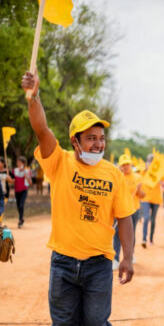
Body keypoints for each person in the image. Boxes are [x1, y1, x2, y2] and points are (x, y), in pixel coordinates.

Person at [22, 71, 135, 325]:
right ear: (75, 141)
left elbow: (125, 218)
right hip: (63, 263)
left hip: (99, 264)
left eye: (101, 139)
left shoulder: (114, 174)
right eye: (91, 138)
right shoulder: (58, 162)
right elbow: (41, 129)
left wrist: (127, 256)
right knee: (63, 322)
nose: (98, 144)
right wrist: (34, 96)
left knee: (96, 322)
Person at [113, 154, 145, 270]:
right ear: (120, 166)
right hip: (119, 210)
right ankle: (115, 258)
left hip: (133, 209)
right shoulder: (117, 176)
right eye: (123, 164)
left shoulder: (137, 177)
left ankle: (130, 255)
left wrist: (140, 189)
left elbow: (142, 195)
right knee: (117, 234)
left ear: (131, 165)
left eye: (127, 164)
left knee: (131, 233)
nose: (125, 166)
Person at [140, 154, 163, 248]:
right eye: (149, 161)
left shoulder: (159, 172)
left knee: (153, 220)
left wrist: (160, 172)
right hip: (145, 198)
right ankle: (144, 238)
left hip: (156, 199)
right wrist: (146, 169)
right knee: (146, 218)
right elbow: (140, 178)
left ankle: (151, 238)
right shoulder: (144, 170)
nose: (151, 163)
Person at [13, 156, 32, 228]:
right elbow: (12, 179)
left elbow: (30, 183)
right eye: (17, 162)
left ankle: (20, 220)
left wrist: (25, 175)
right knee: (18, 206)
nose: (18, 163)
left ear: (23, 163)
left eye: (19, 162)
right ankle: (21, 218)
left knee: (21, 205)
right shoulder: (15, 171)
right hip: (16, 190)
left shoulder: (27, 171)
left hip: (24, 190)